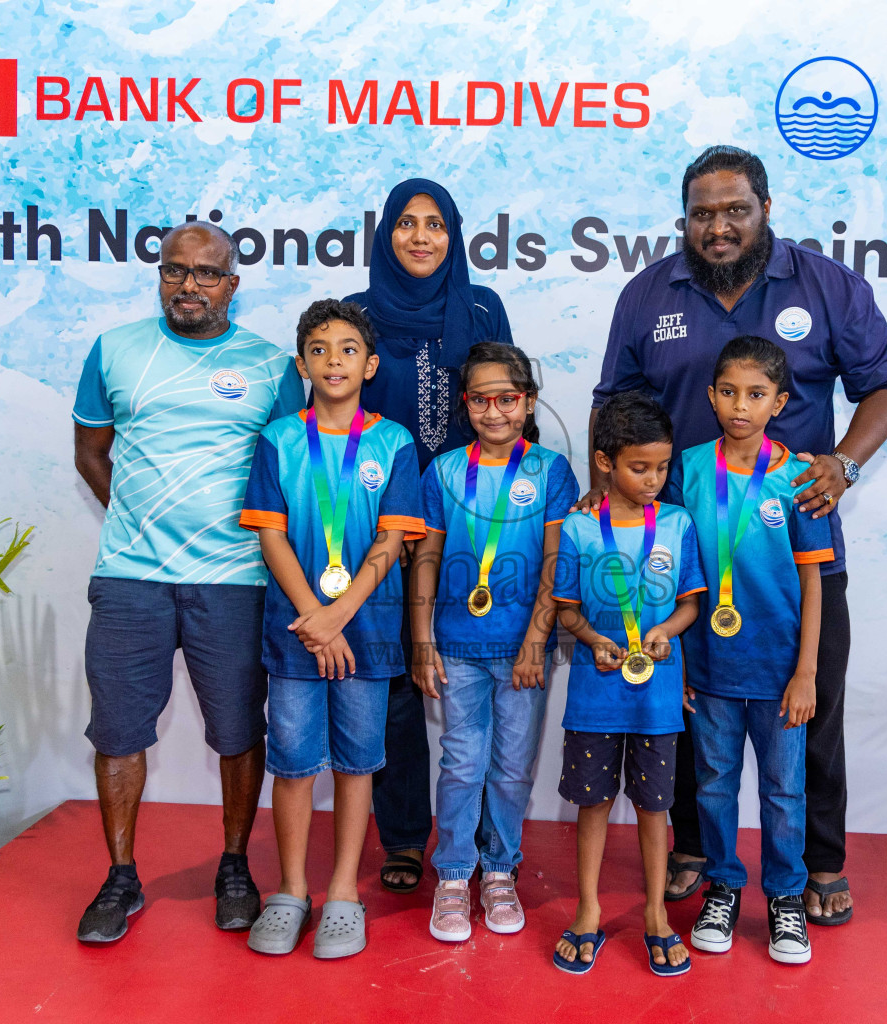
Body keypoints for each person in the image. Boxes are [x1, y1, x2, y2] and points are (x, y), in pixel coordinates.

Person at [588, 146, 887, 923]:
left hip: (790, 557)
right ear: (683, 221)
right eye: (703, 213)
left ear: (766, 209)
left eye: (736, 210)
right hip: (685, 558)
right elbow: (612, 406)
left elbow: (886, 386)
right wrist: (614, 525)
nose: (719, 226)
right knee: (693, 703)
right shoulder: (646, 294)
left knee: (811, 704)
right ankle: (698, 848)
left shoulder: (828, 286)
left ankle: (819, 863)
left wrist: (842, 464)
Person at [70, 222, 305, 944]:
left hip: (235, 582)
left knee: (237, 732)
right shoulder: (115, 350)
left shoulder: (271, 366)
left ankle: (235, 866)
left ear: (232, 285)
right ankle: (120, 875)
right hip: (130, 580)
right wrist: (142, 522)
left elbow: (286, 471)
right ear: (160, 276)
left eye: (206, 274)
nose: (188, 286)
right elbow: (90, 451)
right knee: (117, 733)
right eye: (175, 272)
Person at [238, 299, 425, 959]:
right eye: (319, 349)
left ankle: (344, 891)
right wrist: (316, 621)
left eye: (348, 348)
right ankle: (291, 890)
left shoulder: (395, 443)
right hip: (295, 635)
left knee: (356, 765)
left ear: (370, 364)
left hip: (366, 636)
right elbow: (272, 537)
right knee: (292, 765)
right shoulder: (280, 440)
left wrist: (339, 615)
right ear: (302, 364)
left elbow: (390, 541)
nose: (333, 360)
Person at [344, 179, 516, 894]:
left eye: (436, 224)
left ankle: (480, 835)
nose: (421, 237)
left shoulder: (480, 308)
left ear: (455, 235)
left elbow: (503, 403)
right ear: (385, 235)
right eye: (407, 224)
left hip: (470, 521)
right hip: (378, 526)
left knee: (473, 674)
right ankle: (408, 835)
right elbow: (335, 422)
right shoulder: (356, 314)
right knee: (396, 687)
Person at [663, 336, 832, 964]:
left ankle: (786, 899)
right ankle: (724, 886)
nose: (740, 406)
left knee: (785, 791)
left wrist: (807, 672)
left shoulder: (799, 478)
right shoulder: (690, 468)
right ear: (710, 396)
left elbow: (813, 579)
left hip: (779, 669)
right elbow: (673, 566)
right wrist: (677, 658)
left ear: (779, 402)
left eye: (756, 395)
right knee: (713, 783)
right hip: (707, 666)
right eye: (729, 392)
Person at [411, 342, 579, 941]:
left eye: (507, 399)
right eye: (480, 400)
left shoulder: (552, 472)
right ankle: (455, 873)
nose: (494, 412)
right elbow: (426, 555)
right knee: (460, 762)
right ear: (465, 405)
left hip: (521, 653)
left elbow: (557, 559)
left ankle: (499, 870)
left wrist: (537, 639)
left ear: (528, 402)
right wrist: (422, 639)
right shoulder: (445, 471)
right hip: (456, 644)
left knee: (511, 767)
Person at [551, 392, 706, 977]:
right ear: (604, 462)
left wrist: (665, 630)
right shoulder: (579, 529)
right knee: (592, 804)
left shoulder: (678, 522)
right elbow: (567, 611)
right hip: (596, 695)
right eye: (640, 467)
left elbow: (691, 605)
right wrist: (593, 640)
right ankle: (587, 911)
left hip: (658, 698)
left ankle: (654, 915)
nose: (653, 479)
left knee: (653, 808)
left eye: (662, 467)